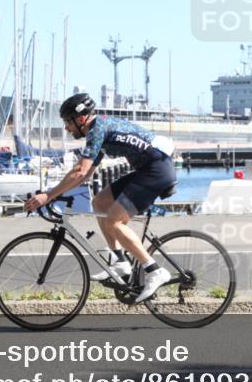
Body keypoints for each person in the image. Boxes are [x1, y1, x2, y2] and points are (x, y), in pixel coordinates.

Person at [24, 93, 176, 303]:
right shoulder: (100, 129)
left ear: (81, 119)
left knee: (114, 221)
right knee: (100, 202)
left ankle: (154, 270)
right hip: (147, 169)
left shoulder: (98, 129)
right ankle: (120, 262)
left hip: (156, 171)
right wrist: (55, 194)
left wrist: (48, 196)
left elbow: (79, 171)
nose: (66, 128)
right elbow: (85, 173)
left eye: (68, 122)